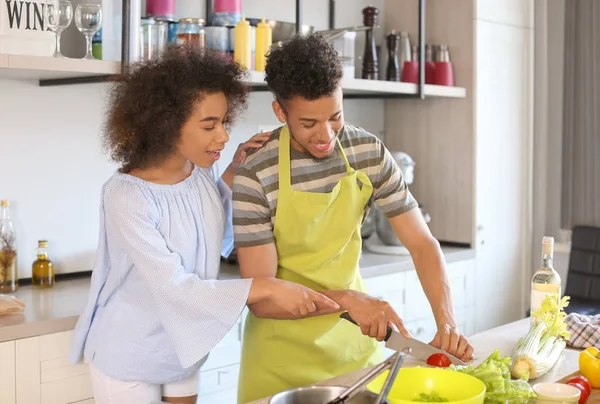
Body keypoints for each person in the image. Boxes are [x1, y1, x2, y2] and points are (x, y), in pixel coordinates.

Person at [69, 46, 340, 404]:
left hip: (184, 346)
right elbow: (175, 288)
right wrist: (265, 288)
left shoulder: (200, 172)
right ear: (164, 124)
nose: (223, 136)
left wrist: (234, 171)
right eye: (209, 125)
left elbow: (213, 233)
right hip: (131, 352)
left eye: (224, 122)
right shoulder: (126, 195)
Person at [233, 34, 475, 403]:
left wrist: (447, 322)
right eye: (309, 122)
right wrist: (347, 300)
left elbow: (422, 244)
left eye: (335, 117)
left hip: (355, 353)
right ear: (281, 112)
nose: (326, 135)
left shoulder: (367, 152)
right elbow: (262, 296)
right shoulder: (256, 173)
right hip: (278, 361)